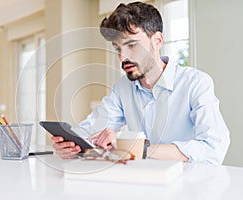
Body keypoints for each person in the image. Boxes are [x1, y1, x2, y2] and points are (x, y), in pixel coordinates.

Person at [51, 2, 230, 165]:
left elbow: (214, 148)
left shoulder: (195, 83)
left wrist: (138, 149)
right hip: (142, 182)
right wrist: (71, 145)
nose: (123, 57)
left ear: (157, 41)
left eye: (132, 45)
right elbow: (91, 129)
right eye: (118, 48)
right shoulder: (123, 88)